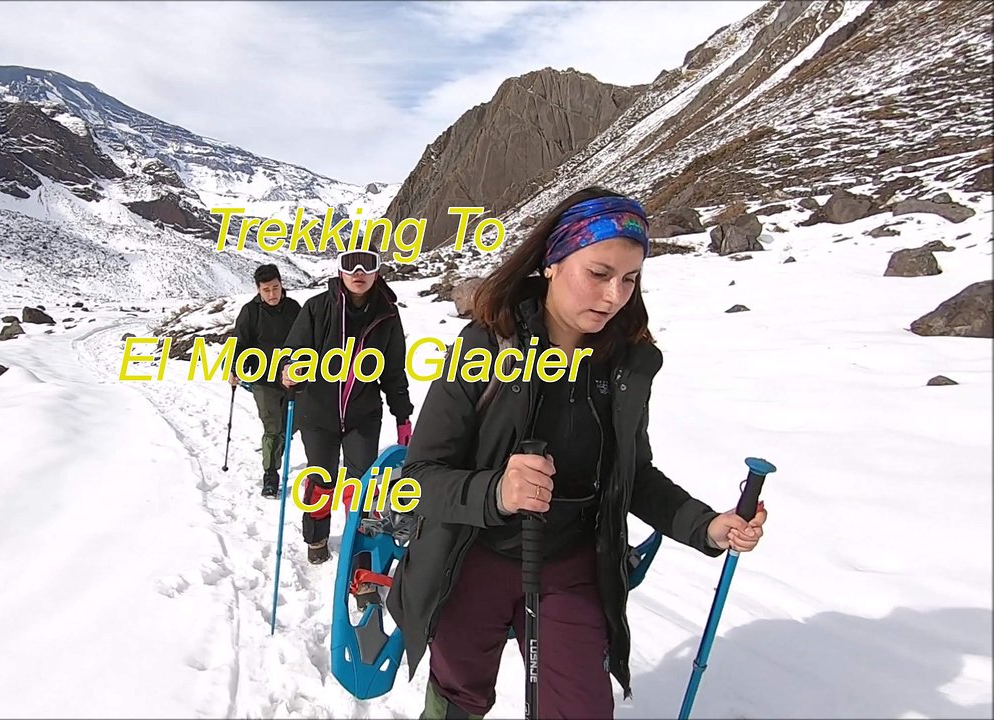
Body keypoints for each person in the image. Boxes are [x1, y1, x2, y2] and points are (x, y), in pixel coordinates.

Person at [385, 187, 770, 719]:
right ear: (552, 261)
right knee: (459, 696)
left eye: (630, 279)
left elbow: (631, 475)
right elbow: (420, 478)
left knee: (579, 708)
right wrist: (496, 490)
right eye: (599, 273)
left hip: (569, 565)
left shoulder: (625, 365)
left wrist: (707, 526)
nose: (615, 295)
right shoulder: (483, 347)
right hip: (471, 558)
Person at [280, 248, 415, 565]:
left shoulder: (387, 315)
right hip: (317, 415)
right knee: (321, 480)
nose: (358, 271)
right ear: (339, 270)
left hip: (363, 417)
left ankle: (360, 548)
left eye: (368, 264)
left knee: (362, 486)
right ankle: (317, 536)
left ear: (378, 271)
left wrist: (402, 416)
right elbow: (295, 349)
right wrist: (289, 368)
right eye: (350, 263)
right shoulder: (317, 308)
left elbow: (394, 370)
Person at [229, 263, 301, 497]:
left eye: (275, 288)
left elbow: (306, 339)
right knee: (272, 428)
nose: (272, 294)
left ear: (282, 285)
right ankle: (271, 476)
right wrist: (235, 369)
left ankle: (279, 442)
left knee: (289, 426)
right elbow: (239, 343)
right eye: (266, 290)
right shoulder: (250, 311)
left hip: (293, 377)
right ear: (258, 290)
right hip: (264, 379)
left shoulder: (294, 308)